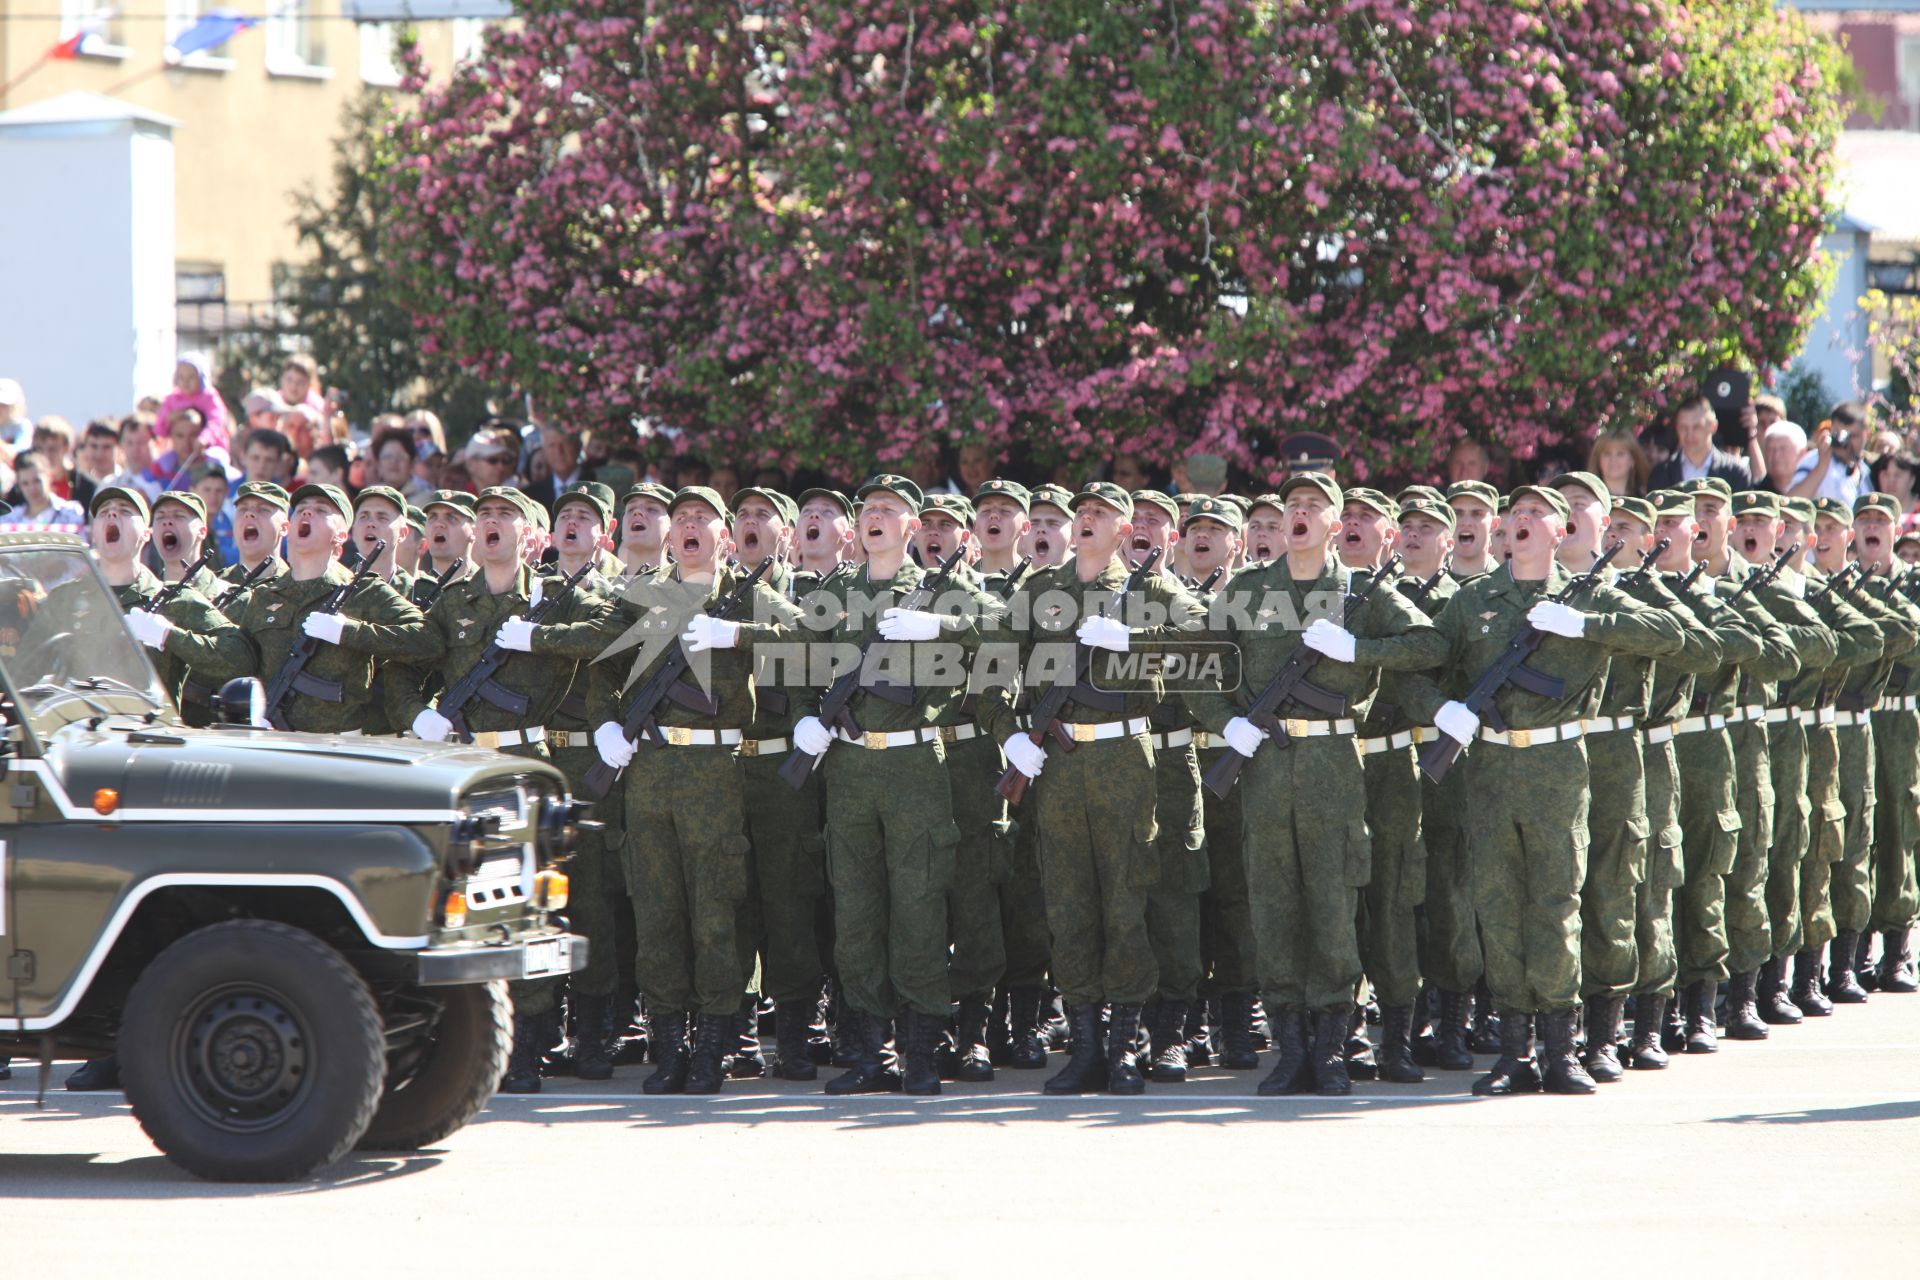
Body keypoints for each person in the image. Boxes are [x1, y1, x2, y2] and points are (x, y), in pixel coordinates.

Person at [1404, 485, 1682, 1095]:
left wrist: (1586, 624)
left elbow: (1671, 636)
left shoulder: (1588, 595)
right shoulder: (1475, 599)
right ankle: (1514, 1052)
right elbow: (1418, 664)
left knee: (1556, 907)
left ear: (1561, 533)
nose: (1524, 519)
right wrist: (1441, 708)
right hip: (1491, 772)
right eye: (1517, 512)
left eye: (1540, 514)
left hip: (1558, 772)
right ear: (1503, 532)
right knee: (1498, 909)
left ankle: (1562, 1048)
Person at [980, 481, 1204, 1095]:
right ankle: (1083, 1045)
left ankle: (1124, 1045)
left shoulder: (1152, 589)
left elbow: (1207, 648)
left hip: (1123, 761)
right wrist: (1010, 735)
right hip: (1054, 764)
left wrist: (1139, 639)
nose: (1084, 519)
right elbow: (993, 669)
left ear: (1125, 531)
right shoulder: (1039, 590)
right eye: (1081, 511)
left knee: (1126, 902)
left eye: (1101, 513)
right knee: (1069, 905)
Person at [392, 486, 616, 1091]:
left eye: (505, 516)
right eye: (484, 515)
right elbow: (404, 661)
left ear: (530, 536)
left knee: (526, 901)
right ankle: (466, 1033)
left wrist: (538, 637)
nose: (492, 523)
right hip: (461, 765)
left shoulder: (554, 599)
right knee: (460, 898)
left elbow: (606, 634)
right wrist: (418, 714)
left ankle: (529, 1041)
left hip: (524, 760)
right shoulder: (453, 601)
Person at [582, 485, 800, 1094]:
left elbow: (810, 638)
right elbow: (599, 665)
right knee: (657, 912)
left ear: (724, 536)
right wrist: (604, 727)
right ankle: (668, 1044)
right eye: (680, 519)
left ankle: (713, 1046)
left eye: (703, 519)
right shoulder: (640, 593)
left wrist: (737, 636)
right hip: (648, 770)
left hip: (714, 773)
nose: (689, 527)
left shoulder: (748, 596)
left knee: (714, 912)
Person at [231, 484, 438, 734]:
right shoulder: (265, 595)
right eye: (301, 510)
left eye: (321, 510)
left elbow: (428, 639)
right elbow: (242, 665)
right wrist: (248, 712)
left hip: (339, 747)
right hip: (273, 740)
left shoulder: (361, 591)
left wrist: (348, 632)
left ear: (341, 536)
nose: (307, 514)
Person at [1645, 396, 1754, 492]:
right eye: (1683, 428)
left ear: (1713, 427)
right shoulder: (1660, 474)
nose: (1689, 435)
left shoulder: (1736, 473)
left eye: (1696, 427)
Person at [1789, 403, 1874, 505]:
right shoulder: (1814, 460)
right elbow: (1792, 504)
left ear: (1867, 435)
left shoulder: (1867, 473)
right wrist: (1821, 466)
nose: (1846, 442)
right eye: (1838, 434)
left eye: (1852, 436)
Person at [156, 355, 233, 453]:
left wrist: (205, 438)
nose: (185, 382)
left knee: (216, 460)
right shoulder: (172, 399)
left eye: (191, 377)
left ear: (201, 378)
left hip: (209, 448)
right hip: (180, 451)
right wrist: (168, 418)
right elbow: (159, 430)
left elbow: (216, 421)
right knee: (165, 464)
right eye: (181, 377)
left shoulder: (209, 397)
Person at [0, 452, 85, 527]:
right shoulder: (10, 519)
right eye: (25, 483)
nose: (32, 488)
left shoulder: (70, 513)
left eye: (37, 481)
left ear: (49, 476)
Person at [616, 482, 672, 577]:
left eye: (651, 509)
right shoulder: (603, 589)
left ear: (672, 531)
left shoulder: (686, 587)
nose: (637, 512)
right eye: (631, 509)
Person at [1588, 430, 1651, 497]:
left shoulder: (1643, 502)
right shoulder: (1586, 499)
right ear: (1598, 460)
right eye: (1607, 454)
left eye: (1620, 454)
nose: (1613, 460)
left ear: (1633, 460)